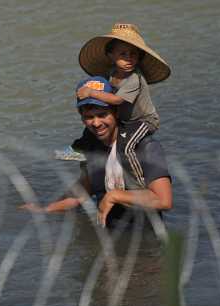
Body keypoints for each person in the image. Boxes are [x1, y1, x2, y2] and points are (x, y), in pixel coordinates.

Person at [22, 76, 172, 228]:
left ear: (116, 113)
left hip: (143, 235)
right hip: (106, 231)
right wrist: (45, 209)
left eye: (102, 115)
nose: (96, 123)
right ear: (82, 118)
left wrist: (114, 196)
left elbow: (163, 200)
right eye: (89, 117)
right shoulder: (91, 148)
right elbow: (80, 195)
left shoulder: (145, 147)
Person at [57, 23, 171, 189]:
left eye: (133, 54)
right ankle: (77, 149)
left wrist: (91, 93)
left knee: (127, 145)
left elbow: (117, 101)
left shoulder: (134, 79)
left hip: (143, 121)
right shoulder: (112, 73)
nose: (129, 58)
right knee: (89, 130)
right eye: (123, 54)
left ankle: (137, 179)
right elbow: (105, 91)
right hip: (125, 120)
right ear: (110, 56)